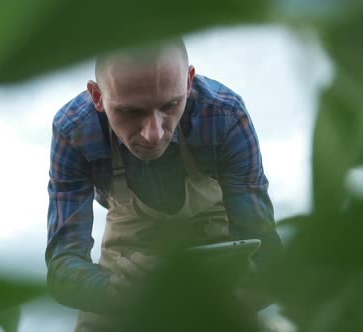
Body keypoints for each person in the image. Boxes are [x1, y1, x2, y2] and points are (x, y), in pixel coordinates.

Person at [45, 38, 282, 331]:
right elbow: (62, 267)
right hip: (126, 268)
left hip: (217, 261)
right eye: (130, 112)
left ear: (188, 83)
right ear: (97, 96)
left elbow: (268, 260)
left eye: (170, 105)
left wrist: (232, 288)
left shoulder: (224, 116)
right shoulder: (75, 131)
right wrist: (113, 291)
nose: (153, 134)